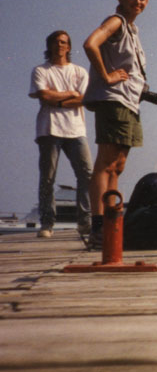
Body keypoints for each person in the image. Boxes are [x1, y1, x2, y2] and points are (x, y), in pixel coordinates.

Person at [82, 0, 150, 250]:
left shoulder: (132, 29)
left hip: (130, 103)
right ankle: (98, 226)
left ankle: (110, 224)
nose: (138, 2)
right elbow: (90, 44)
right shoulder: (116, 21)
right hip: (114, 100)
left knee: (118, 166)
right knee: (106, 163)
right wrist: (107, 76)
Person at [29, 31, 93, 238]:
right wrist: (68, 95)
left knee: (86, 174)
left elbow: (84, 99)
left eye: (64, 42)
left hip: (76, 129)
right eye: (56, 42)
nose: (60, 45)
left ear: (69, 46)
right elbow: (43, 95)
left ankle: (85, 222)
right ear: (49, 46)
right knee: (48, 176)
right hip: (49, 129)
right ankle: (47, 223)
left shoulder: (80, 72)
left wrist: (57, 99)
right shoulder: (40, 70)